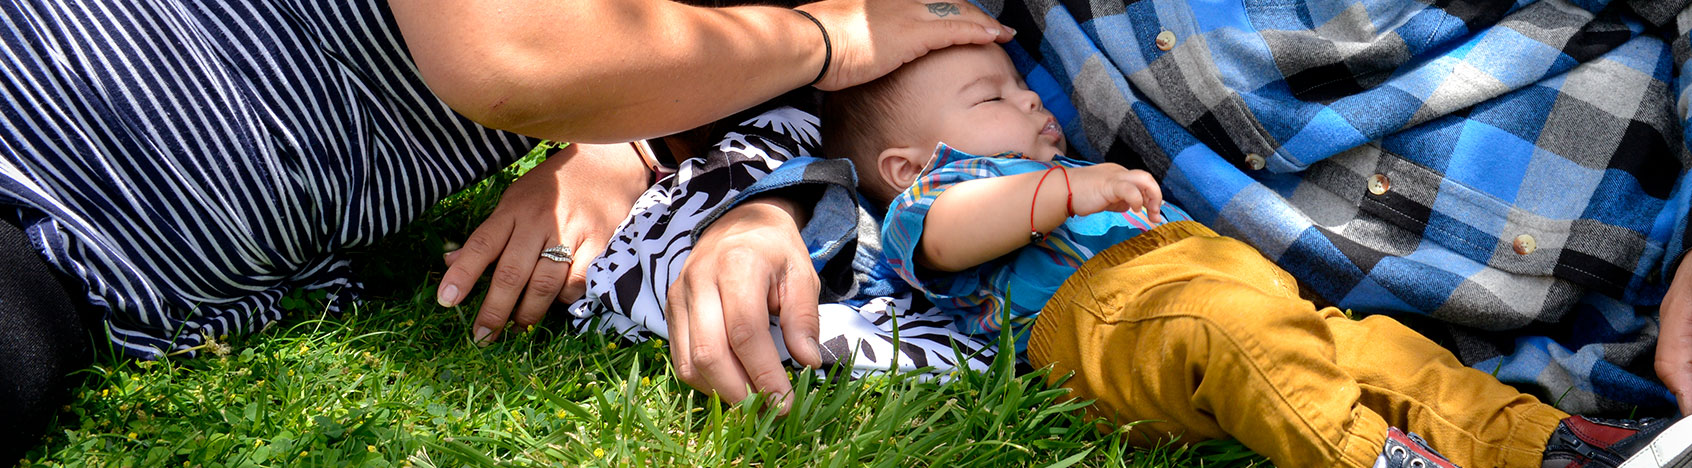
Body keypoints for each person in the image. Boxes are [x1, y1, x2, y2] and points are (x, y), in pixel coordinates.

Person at [667, 0, 1692, 465]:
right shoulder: (978, 54)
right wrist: (738, 197)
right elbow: (826, 96)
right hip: (1633, 377)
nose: (1032, 114)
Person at [0, 0, 1013, 461]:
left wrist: (619, 150)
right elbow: (508, 50)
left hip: (105, 273)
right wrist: (823, 40)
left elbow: (793, 92)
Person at [826, 42, 1692, 467]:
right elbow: (949, 234)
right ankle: (1370, 459)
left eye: (1023, 88)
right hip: (1110, 321)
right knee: (1242, 344)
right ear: (907, 164)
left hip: (1216, 286)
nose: (1027, 106)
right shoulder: (931, 199)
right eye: (992, 97)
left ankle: (1551, 445)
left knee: (1381, 353)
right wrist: (1063, 190)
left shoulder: (1056, 170)